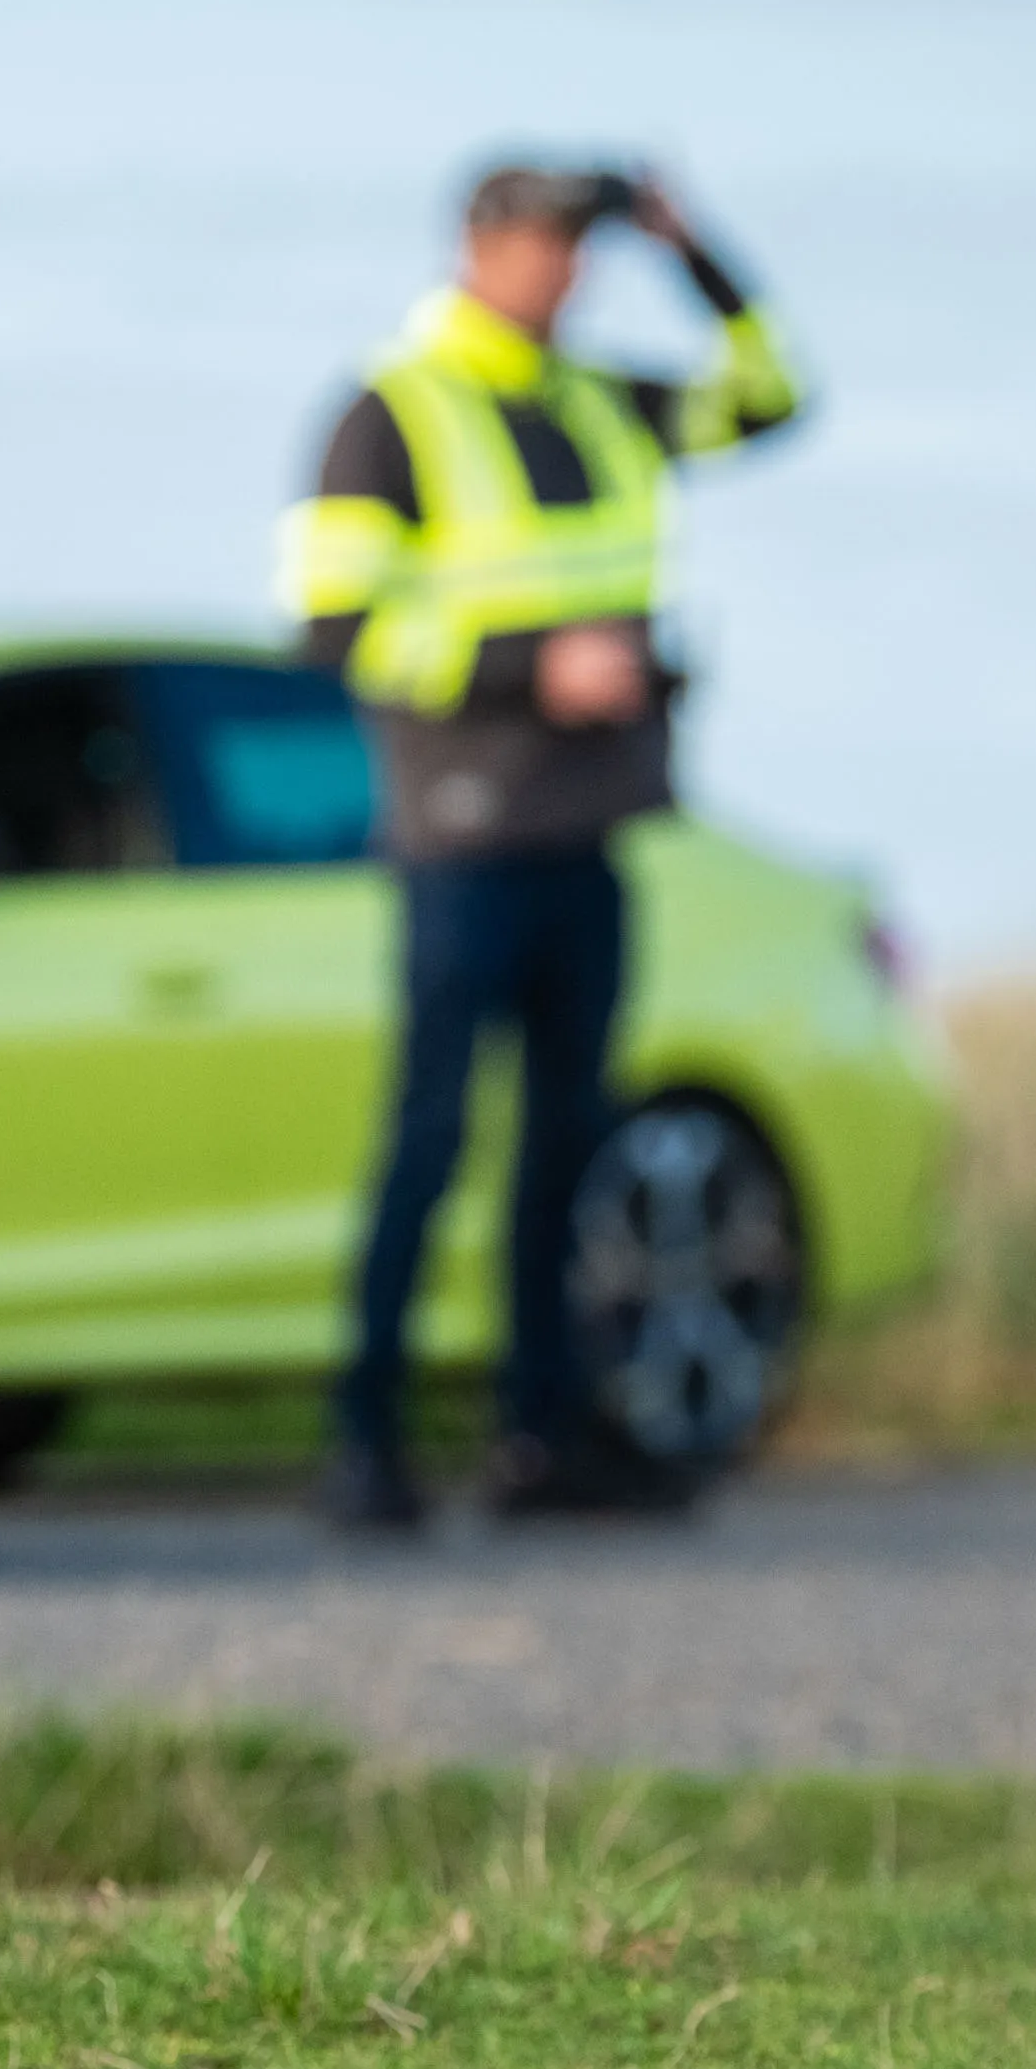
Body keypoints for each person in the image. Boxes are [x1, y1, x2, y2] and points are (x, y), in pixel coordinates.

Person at [280, 159, 806, 1526]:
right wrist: (531, 670)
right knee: (430, 1137)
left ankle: (544, 1437)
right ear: (478, 243)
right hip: (462, 837)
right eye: (540, 246)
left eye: (578, 249)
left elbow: (773, 396)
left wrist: (695, 251)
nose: (561, 273)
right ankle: (367, 1442)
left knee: (569, 1148)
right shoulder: (391, 409)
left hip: (588, 832)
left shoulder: (600, 398)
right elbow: (332, 624)